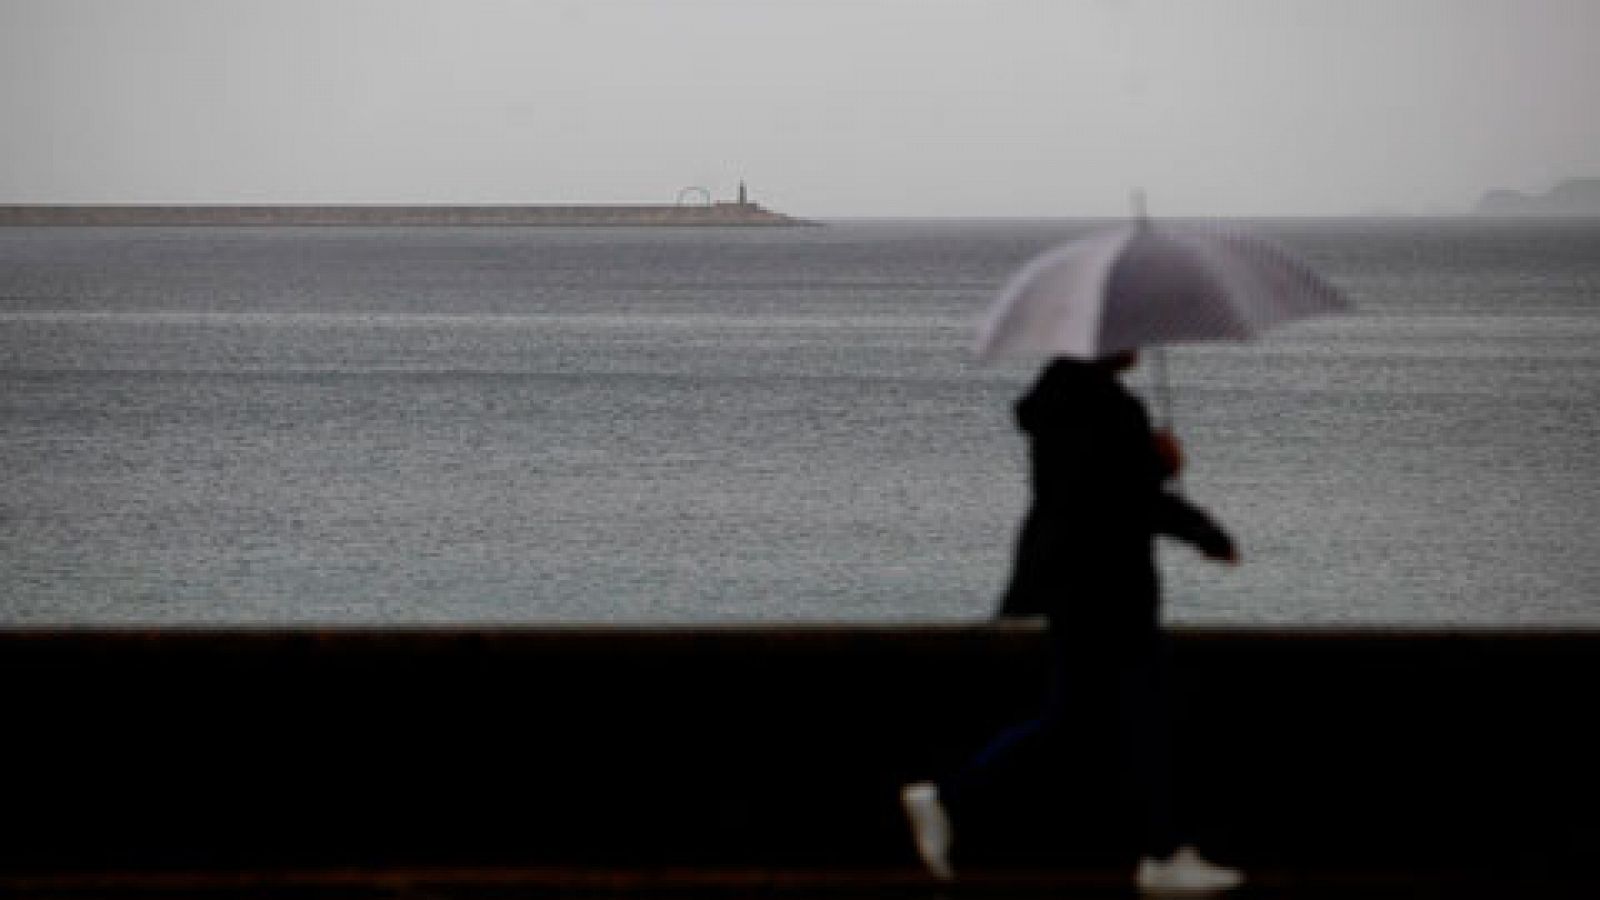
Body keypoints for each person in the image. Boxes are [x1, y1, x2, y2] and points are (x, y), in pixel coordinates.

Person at [901, 352, 1245, 893]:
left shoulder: (1063, 401)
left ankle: (951, 799)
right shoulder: (1107, 407)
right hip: (1106, 589)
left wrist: (1153, 468)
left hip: (1073, 587)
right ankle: (1159, 854)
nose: (1135, 343)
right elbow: (1120, 501)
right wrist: (1181, 498)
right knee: (1142, 710)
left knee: (1081, 717)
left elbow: (1087, 491)